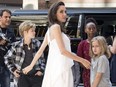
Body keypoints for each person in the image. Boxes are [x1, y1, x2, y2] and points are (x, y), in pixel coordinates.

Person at [22, 1, 90, 87]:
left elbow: (40, 51)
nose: (64, 14)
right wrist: (82, 60)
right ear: (54, 14)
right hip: (61, 68)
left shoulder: (51, 29)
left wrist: (30, 66)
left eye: (65, 11)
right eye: (61, 12)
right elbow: (63, 51)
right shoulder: (56, 27)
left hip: (56, 67)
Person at [4, 21, 45, 87]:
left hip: (36, 76)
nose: (35, 32)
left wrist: (41, 70)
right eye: (32, 31)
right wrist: (13, 70)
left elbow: (42, 59)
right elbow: (7, 58)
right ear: (25, 32)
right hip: (21, 77)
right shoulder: (16, 45)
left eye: (34, 30)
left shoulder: (37, 44)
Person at [77, 18, 97, 87]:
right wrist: (88, 66)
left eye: (93, 28)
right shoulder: (82, 44)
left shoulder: (100, 43)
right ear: (85, 30)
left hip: (99, 71)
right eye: (89, 28)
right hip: (87, 73)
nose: (91, 30)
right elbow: (79, 59)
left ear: (96, 30)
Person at [0, 9, 16, 87]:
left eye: (9, 17)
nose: (8, 19)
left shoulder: (11, 32)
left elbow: (14, 47)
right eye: (6, 17)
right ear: (0, 17)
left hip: (5, 65)